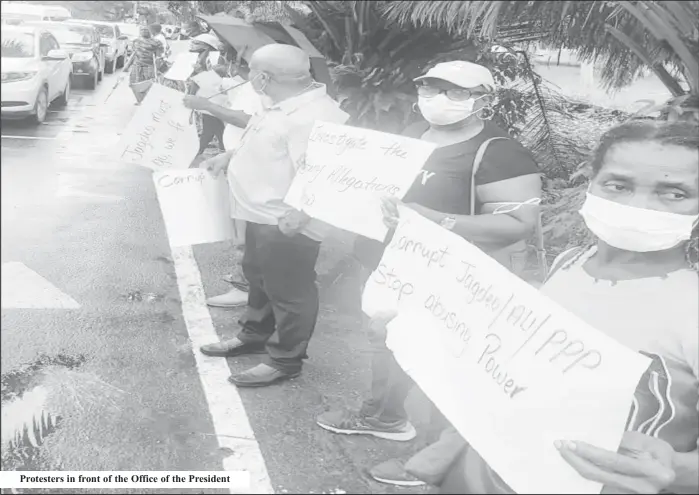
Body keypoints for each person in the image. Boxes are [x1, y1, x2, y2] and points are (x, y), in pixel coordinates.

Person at [437, 120, 699, 494]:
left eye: (673, 193)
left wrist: (677, 469)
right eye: (618, 185)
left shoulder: (692, 309)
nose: (637, 206)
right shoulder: (572, 263)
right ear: (590, 184)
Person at [315, 60, 543, 486]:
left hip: (454, 279)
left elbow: (518, 226)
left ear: (485, 100)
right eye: (430, 87)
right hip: (397, 267)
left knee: (444, 364)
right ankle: (385, 416)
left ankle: (433, 456)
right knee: (387, 341)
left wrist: (439, 220)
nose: (438, 99)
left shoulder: (498, 152)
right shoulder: (416, 135)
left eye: (455, 92)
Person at [195, 44, 349, 387]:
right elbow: (264, 141)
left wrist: (302, 213)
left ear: (263, 77)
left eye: (252, 70)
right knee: (260, 279)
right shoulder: (279, 104)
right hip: (259, 213)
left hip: (285, 221)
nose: (248, 76)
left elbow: (324, 174)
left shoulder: (315, 116)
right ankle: (255, 334)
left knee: (290, 291)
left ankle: (285, 359)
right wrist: (230, 155)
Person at [184, 61, 263, 310]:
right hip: (239, 157)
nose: (237, 59)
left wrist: (208, 106)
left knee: (248, 230)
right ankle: (247, 279)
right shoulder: (249, 84)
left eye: (244, 57)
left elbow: (254, 122)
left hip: (253, 165)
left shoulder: (269, 91)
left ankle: (246, 287)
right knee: (240, 226)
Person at [122, 26, 163, 104]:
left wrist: (157, 69)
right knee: (133, 84)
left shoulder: (156, 42)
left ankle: (146, 101)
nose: (144, 31)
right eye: (142, 30)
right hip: (137, 66)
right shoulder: (136, 41)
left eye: (146, 30)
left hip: (148, 66)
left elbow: (158, 57)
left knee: (147, 85)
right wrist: (127, 66)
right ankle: (140, 100)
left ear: (150, 31)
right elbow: (134, 54)